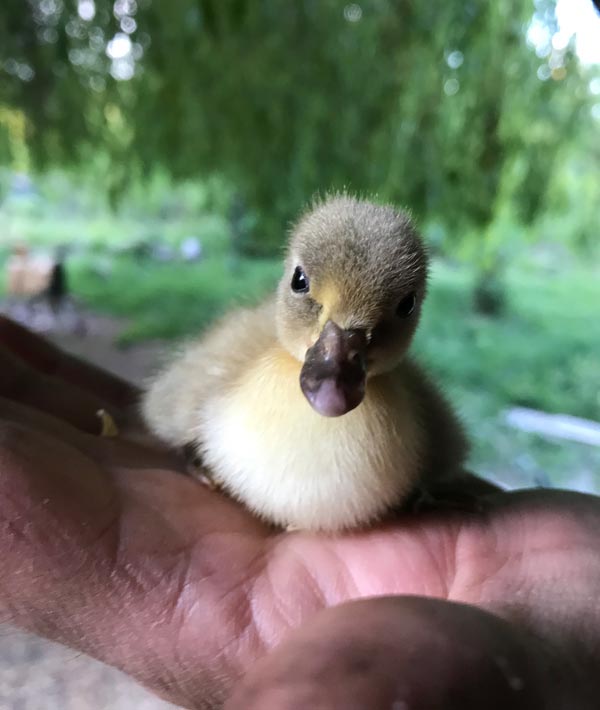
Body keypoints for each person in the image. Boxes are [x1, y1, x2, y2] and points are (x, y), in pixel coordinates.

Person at [0, 315, 598, 710]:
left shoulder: (416, 426)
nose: (334, 373)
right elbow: (170, 405)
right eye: (308, 286)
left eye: (389, 314)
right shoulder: (238, 380)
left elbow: (445, 450)